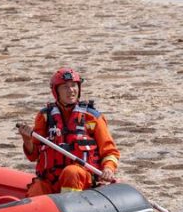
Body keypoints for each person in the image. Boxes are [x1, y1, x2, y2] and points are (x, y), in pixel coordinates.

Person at [17, 68, 120, 197]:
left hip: (82, 177)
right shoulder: (44, 117)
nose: (71, 90)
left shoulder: (92, 117)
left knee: (71, 173)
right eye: (65, 87)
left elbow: (110, 151)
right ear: (56, 91)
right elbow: (33, 156)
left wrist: (108, 168)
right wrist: (27, 140)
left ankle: (70, 210)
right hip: (51, 180)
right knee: (37, 189)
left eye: (73, 86)